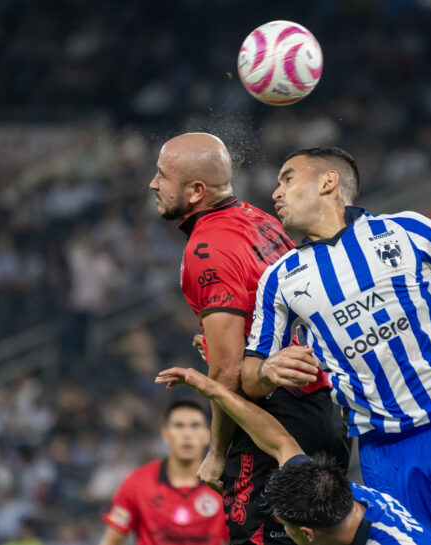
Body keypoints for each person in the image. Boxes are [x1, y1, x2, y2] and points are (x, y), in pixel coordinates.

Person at [179, 145, 431, 545]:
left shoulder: (406, 230)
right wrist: (267, 371)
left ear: (328, 182)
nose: (276, 193)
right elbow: (248, 375)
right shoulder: (280, 278)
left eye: (288, 179)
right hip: (383, 448)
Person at [149, 133, 349, 545]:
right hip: (321, 411)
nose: (153, 184)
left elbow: (227, 371)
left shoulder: (206, 249)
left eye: (162, 175)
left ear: (195, 191)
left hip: (274, 419)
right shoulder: (260, 219)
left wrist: (217, 453)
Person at [156, 367, 431, 545]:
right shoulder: (330, 492)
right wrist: (214, 388)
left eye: (287, 528)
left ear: (306, 534)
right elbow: (279, 441)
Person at [99, 399, 227, 545]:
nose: (187, 434)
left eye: (195, 426)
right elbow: (110, 541)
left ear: (207, 435)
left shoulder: (223, 486)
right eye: (179, 426)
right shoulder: (136, 483)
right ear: (165, 435)